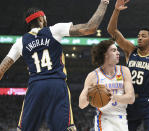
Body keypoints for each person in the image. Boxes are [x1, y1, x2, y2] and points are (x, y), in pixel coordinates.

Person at [0, 0, 110, 130]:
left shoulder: (21, 42)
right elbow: (90, 27)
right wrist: (104, 3)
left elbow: (2, 68)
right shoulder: (54, 30)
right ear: (41, 18)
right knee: (67, 128)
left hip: (35, 87)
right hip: (56, 85)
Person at [107, 0, 149, 130]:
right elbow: (111, 31)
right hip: (128, 101)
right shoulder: (131, 50)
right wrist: (116, 10)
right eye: (138, 36)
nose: (139, 38)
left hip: (148, 102)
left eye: (143, 36)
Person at [79, 39, 135, 131]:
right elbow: (82, 104)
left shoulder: (124, 71)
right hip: (104, 119)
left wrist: (112, 96)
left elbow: (131, 98)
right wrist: (91, 94)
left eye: (117, 50)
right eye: (113, 50)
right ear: (105, 54)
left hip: (122, 119)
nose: (118, 53)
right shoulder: (93, 76)